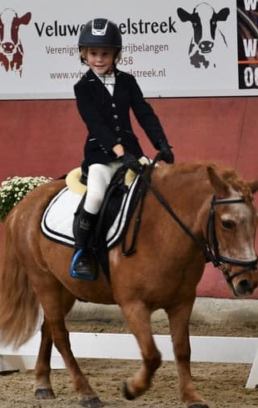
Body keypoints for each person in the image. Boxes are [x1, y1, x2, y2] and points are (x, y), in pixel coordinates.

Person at [70, 18, 175, 280]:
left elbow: (144, 113)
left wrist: (161, 143)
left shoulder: (127, 81)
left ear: (116, 54)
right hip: (102, 157)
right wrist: (120, 153)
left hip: (133, 152)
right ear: (84, 54)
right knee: (94, 197)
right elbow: (95, 124)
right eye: (93, 53)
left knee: (163, 189)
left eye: (105, 53)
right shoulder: (83, 88)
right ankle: (82, 251)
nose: (99, 59)